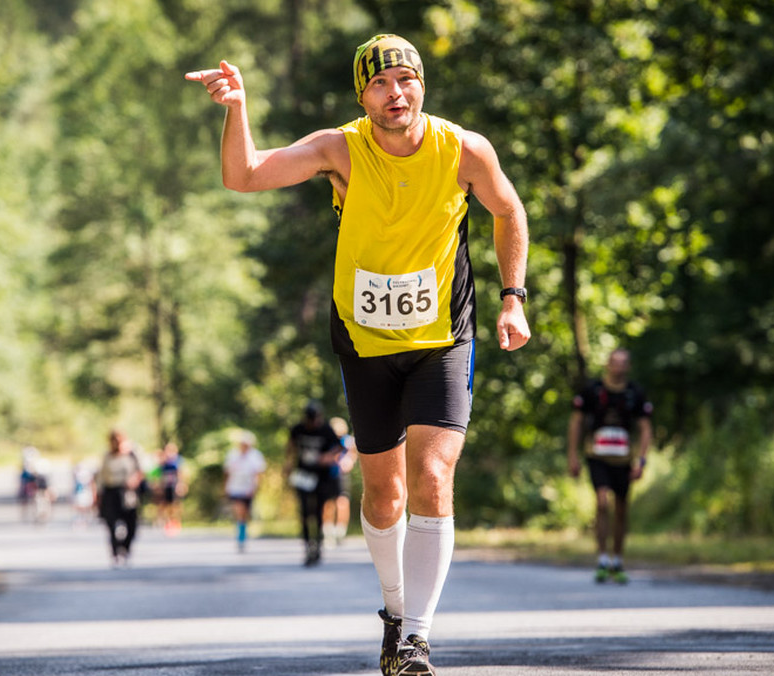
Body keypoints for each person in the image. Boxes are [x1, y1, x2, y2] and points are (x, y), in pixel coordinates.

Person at [187, 33, 529, 676]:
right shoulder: (340, 149)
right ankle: (395, 613)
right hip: (365, 342)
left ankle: (417, 639)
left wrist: (514, 297)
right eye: (380, 83)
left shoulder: (463, 150)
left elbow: (509, 212)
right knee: (383, 493)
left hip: (441, 339)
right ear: (362, 94)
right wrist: (237, 108)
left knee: (432, 476)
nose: (395, 93)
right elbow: (244, 177)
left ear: (422, 85)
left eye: (406, 80)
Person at [567, 348, 653, 585]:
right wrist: (572, 456)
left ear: (628, 366)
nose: (618, 367)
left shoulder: (635, 393)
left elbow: (646, 428)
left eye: (623, 362)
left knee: (622, 508)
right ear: (608, 364)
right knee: (602, 501)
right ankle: (602, 558)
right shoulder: (593, 390)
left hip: (624, 460)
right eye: (615, 362)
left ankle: (618, 560)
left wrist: (642, 460)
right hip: (597, 456)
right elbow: (576, 423)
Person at [285, 400, 345, 566]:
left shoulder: (326, 429)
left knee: (318, 512)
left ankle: (317, 546)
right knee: (304, 512)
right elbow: (290, 445)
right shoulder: (298, 429)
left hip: (321, 477)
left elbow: (340, 447)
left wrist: (327, 457)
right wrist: (288, 463)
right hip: (303, 475)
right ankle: (307, 547)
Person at [96, 429, 145, 567]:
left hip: (127, 492)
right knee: (111, 524)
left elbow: (140, 472)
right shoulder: (107, 456)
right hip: (110, 492)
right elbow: (101, 476)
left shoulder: (131, 455)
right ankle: (115, 551)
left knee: (132, 524)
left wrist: (133, 481)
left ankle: (125, 548)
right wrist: (98, 495)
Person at [223, 429, 268, 552]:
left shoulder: (255, 456)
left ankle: (243, 530)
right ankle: (240, 536)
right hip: (235, 488)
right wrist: (226, 487)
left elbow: (258, 474)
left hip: (248, 489)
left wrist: (255, 487)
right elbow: (227, 472)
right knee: (239, 510)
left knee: (245, 513)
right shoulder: (232, 455)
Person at [325, 416, 358, 546]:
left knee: (342, 502)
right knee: (327, 504)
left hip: (342, 476)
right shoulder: (327, 441)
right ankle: (328, 531)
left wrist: (349, 461)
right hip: (328, 475)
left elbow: (353, 453)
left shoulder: (348, 442)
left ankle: (340, 531)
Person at [154, 442, 188, 536]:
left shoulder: (178, 461)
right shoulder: (163, 463)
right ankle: (167, 523)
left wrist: (181, 485)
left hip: (175, 486)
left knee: (176, 505)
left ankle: (176, 523)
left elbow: (181, 473)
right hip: (166, 486)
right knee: (165, 505)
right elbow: (159, 475)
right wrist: (159, 486)